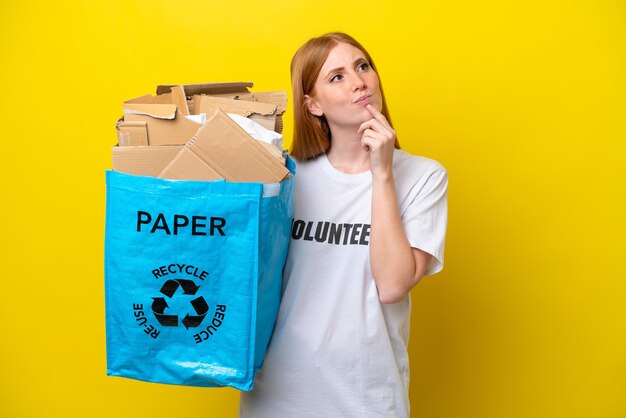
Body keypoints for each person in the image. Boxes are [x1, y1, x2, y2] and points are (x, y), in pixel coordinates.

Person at [239, 32, 448, 418]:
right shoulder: (283, 176)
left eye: (362, 66)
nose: (358, 82)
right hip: (279, 397)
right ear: (312, 104)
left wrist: (381, 174)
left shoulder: (423, 177)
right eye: (337, 77)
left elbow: (393, 285)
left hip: (368, 399)